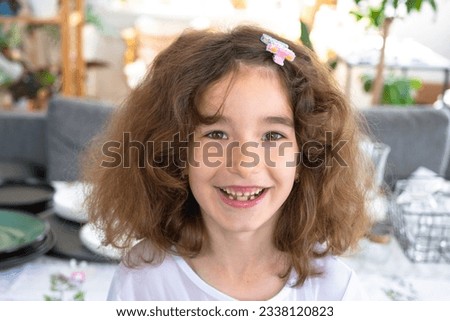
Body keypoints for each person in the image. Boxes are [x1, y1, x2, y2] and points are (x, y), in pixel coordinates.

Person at [82, 25, 374, 301]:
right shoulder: (143, 282)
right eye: (217, 134)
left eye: (272, 136)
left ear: (304, 157)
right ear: (177, 154)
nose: (244, 165)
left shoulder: (335, 290)